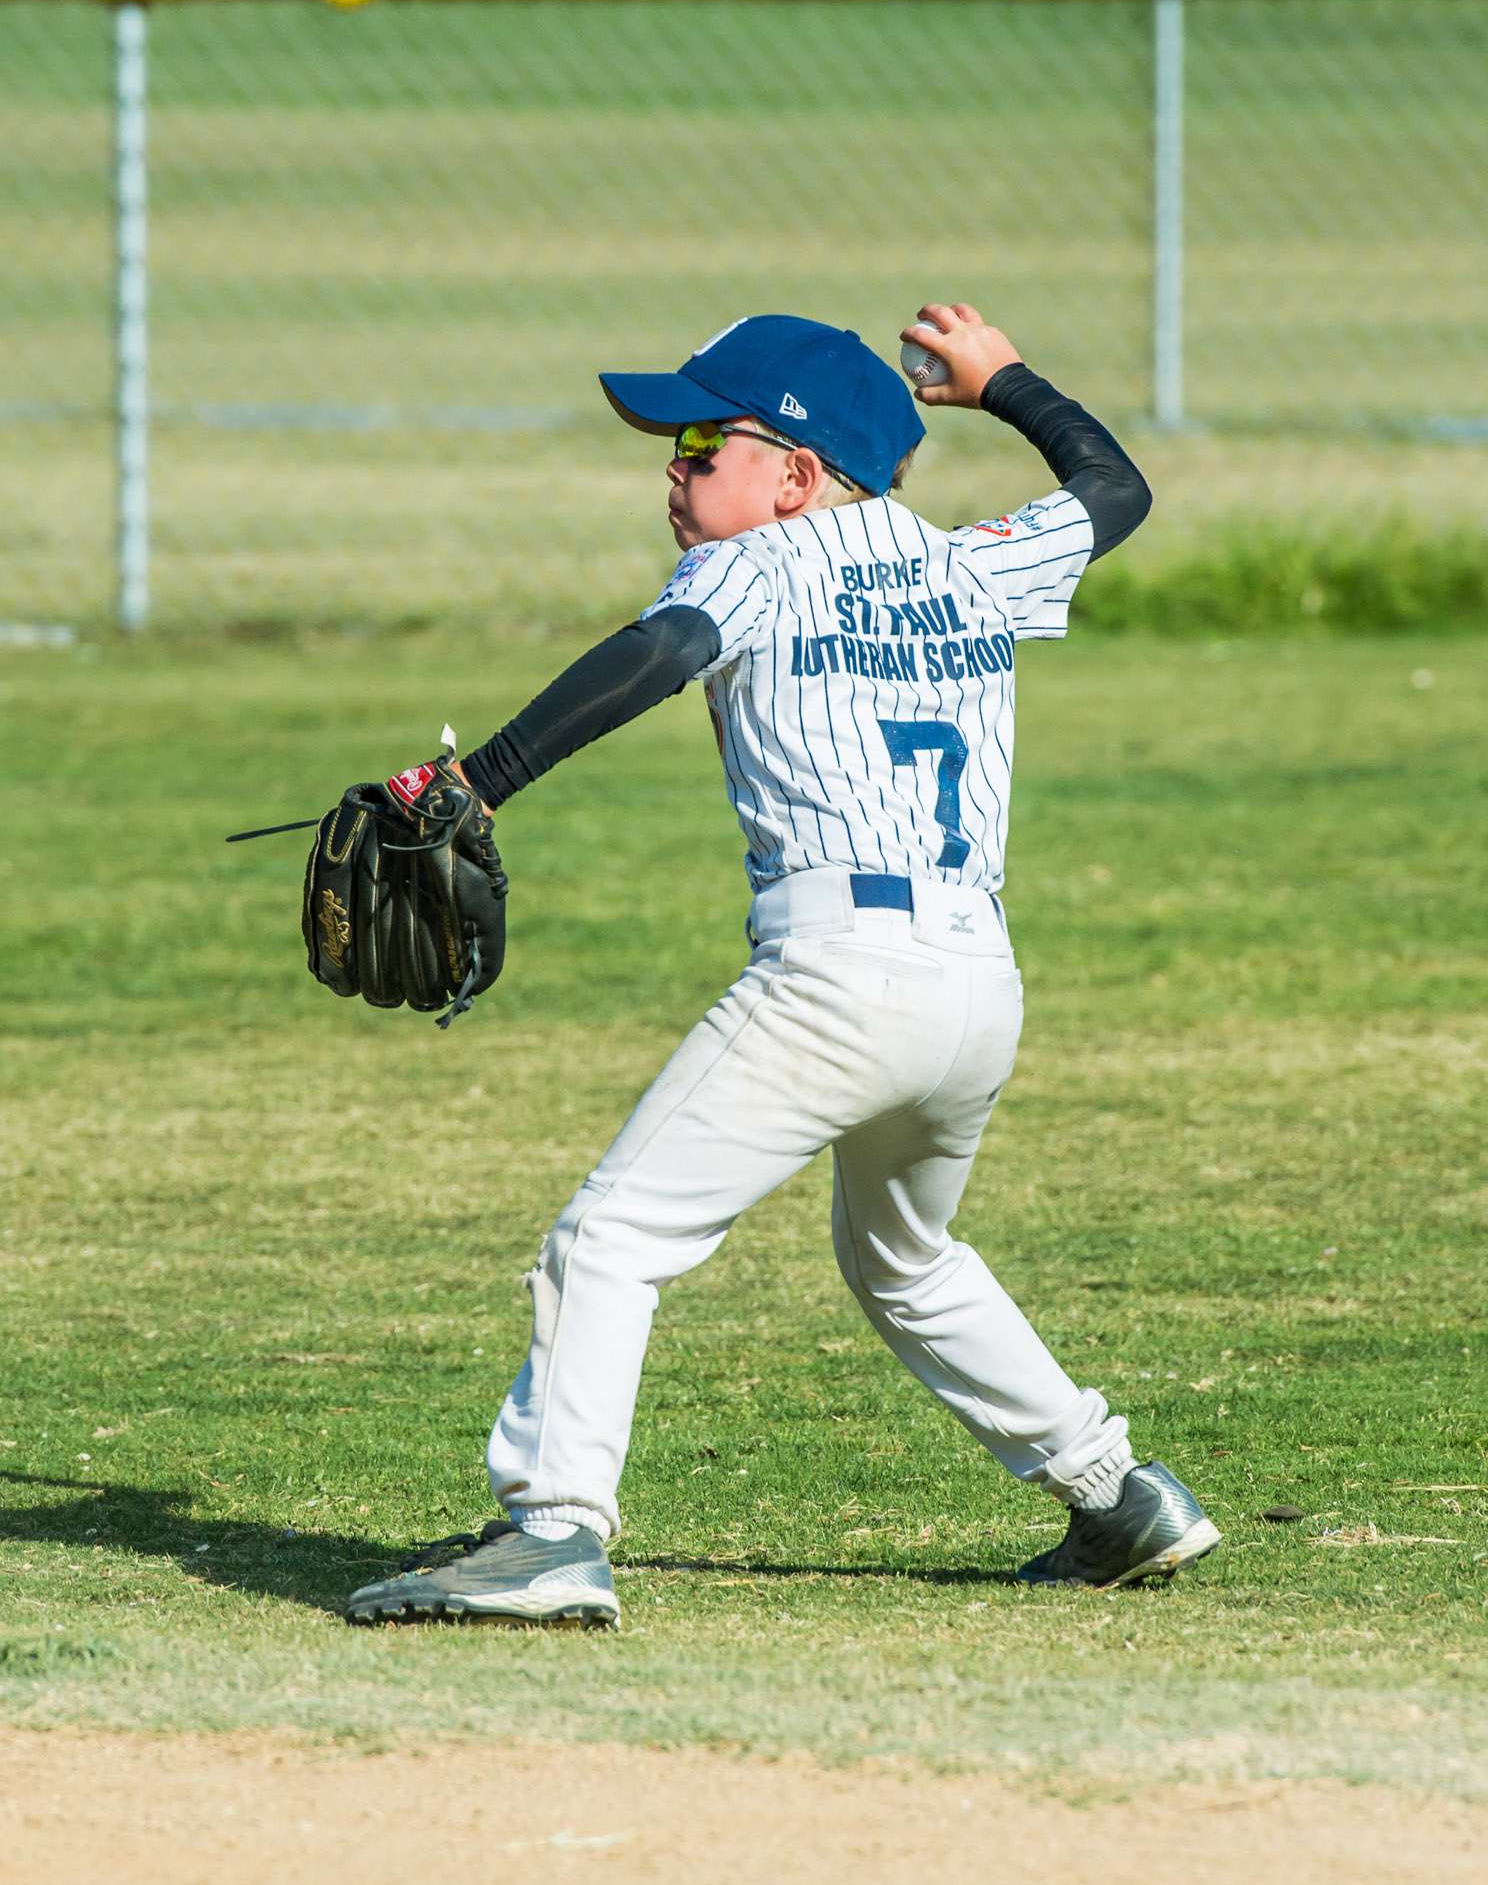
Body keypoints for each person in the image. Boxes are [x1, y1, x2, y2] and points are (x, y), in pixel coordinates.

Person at [345, 304, 1220, 1630]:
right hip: (978, 985)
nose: (675, 471)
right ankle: (1114, 1494)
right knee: (905, 1260)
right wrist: (1007, 383)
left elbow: (661, 654)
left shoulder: (765, 564)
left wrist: (474, 783)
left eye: (705, 444)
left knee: (611, 1240)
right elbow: (1114, 489)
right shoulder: (970, 563)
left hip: (838, 979)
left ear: (798, 479)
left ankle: (554, 1532)